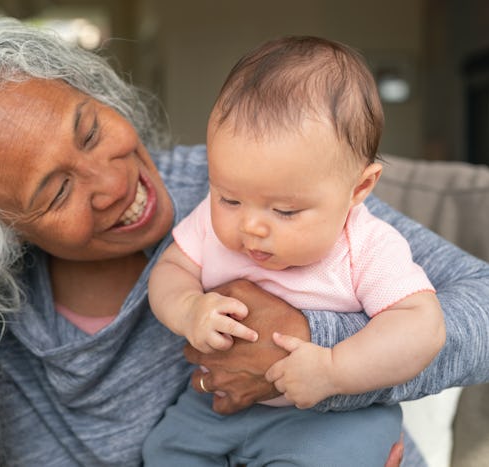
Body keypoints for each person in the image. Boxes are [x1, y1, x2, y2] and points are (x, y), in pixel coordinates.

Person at [0, 14, 489, 467]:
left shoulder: (246, 190)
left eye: (90, 128)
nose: (113, 181)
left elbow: (480, 306)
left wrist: (319, 344)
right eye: (56, 190)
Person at [144, 36, 446, 466]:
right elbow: (171, 268)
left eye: (285, 210)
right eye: (229, 198)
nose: (250, 226)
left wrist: (334, 369)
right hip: (219, 406)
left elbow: (422, 325)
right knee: (163, 451)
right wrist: (188, 308)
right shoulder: (210, 222)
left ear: (359, 188)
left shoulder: (367, 246)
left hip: (331, 417)